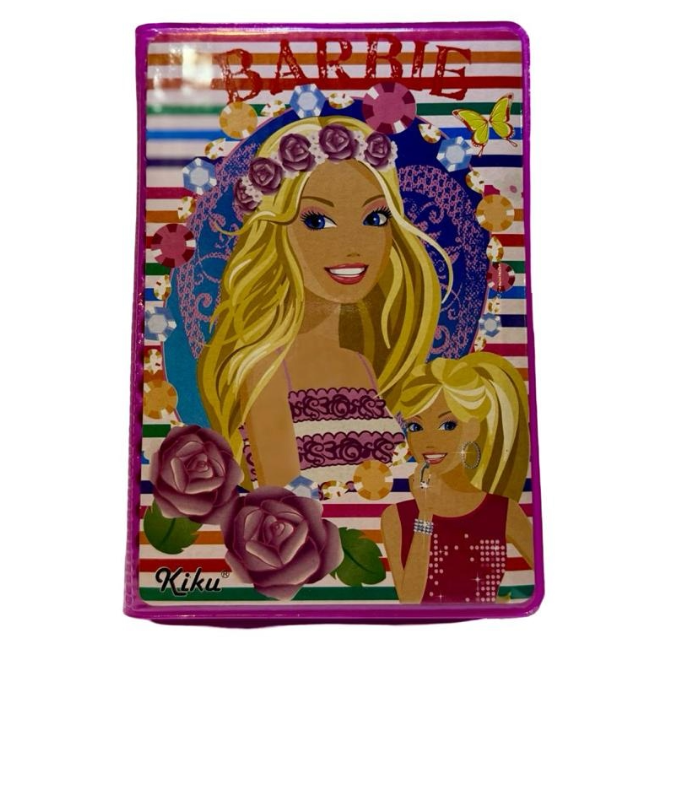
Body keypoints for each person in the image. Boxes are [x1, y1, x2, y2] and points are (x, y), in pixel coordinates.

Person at [197, 115, 451, 496]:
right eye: (317, 221)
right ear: (276, 231)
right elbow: (285, 504)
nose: (353, 244)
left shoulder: (360, 364)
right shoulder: (266, 368)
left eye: (375, 218)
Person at [381, 353, 534, 603]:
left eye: (447, 425)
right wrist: (425, 512)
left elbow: (541, 578)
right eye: (416, 427)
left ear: (473, 428)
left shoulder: (504, 511)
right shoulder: (395, 517)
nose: (429, 441)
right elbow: (410, 601)